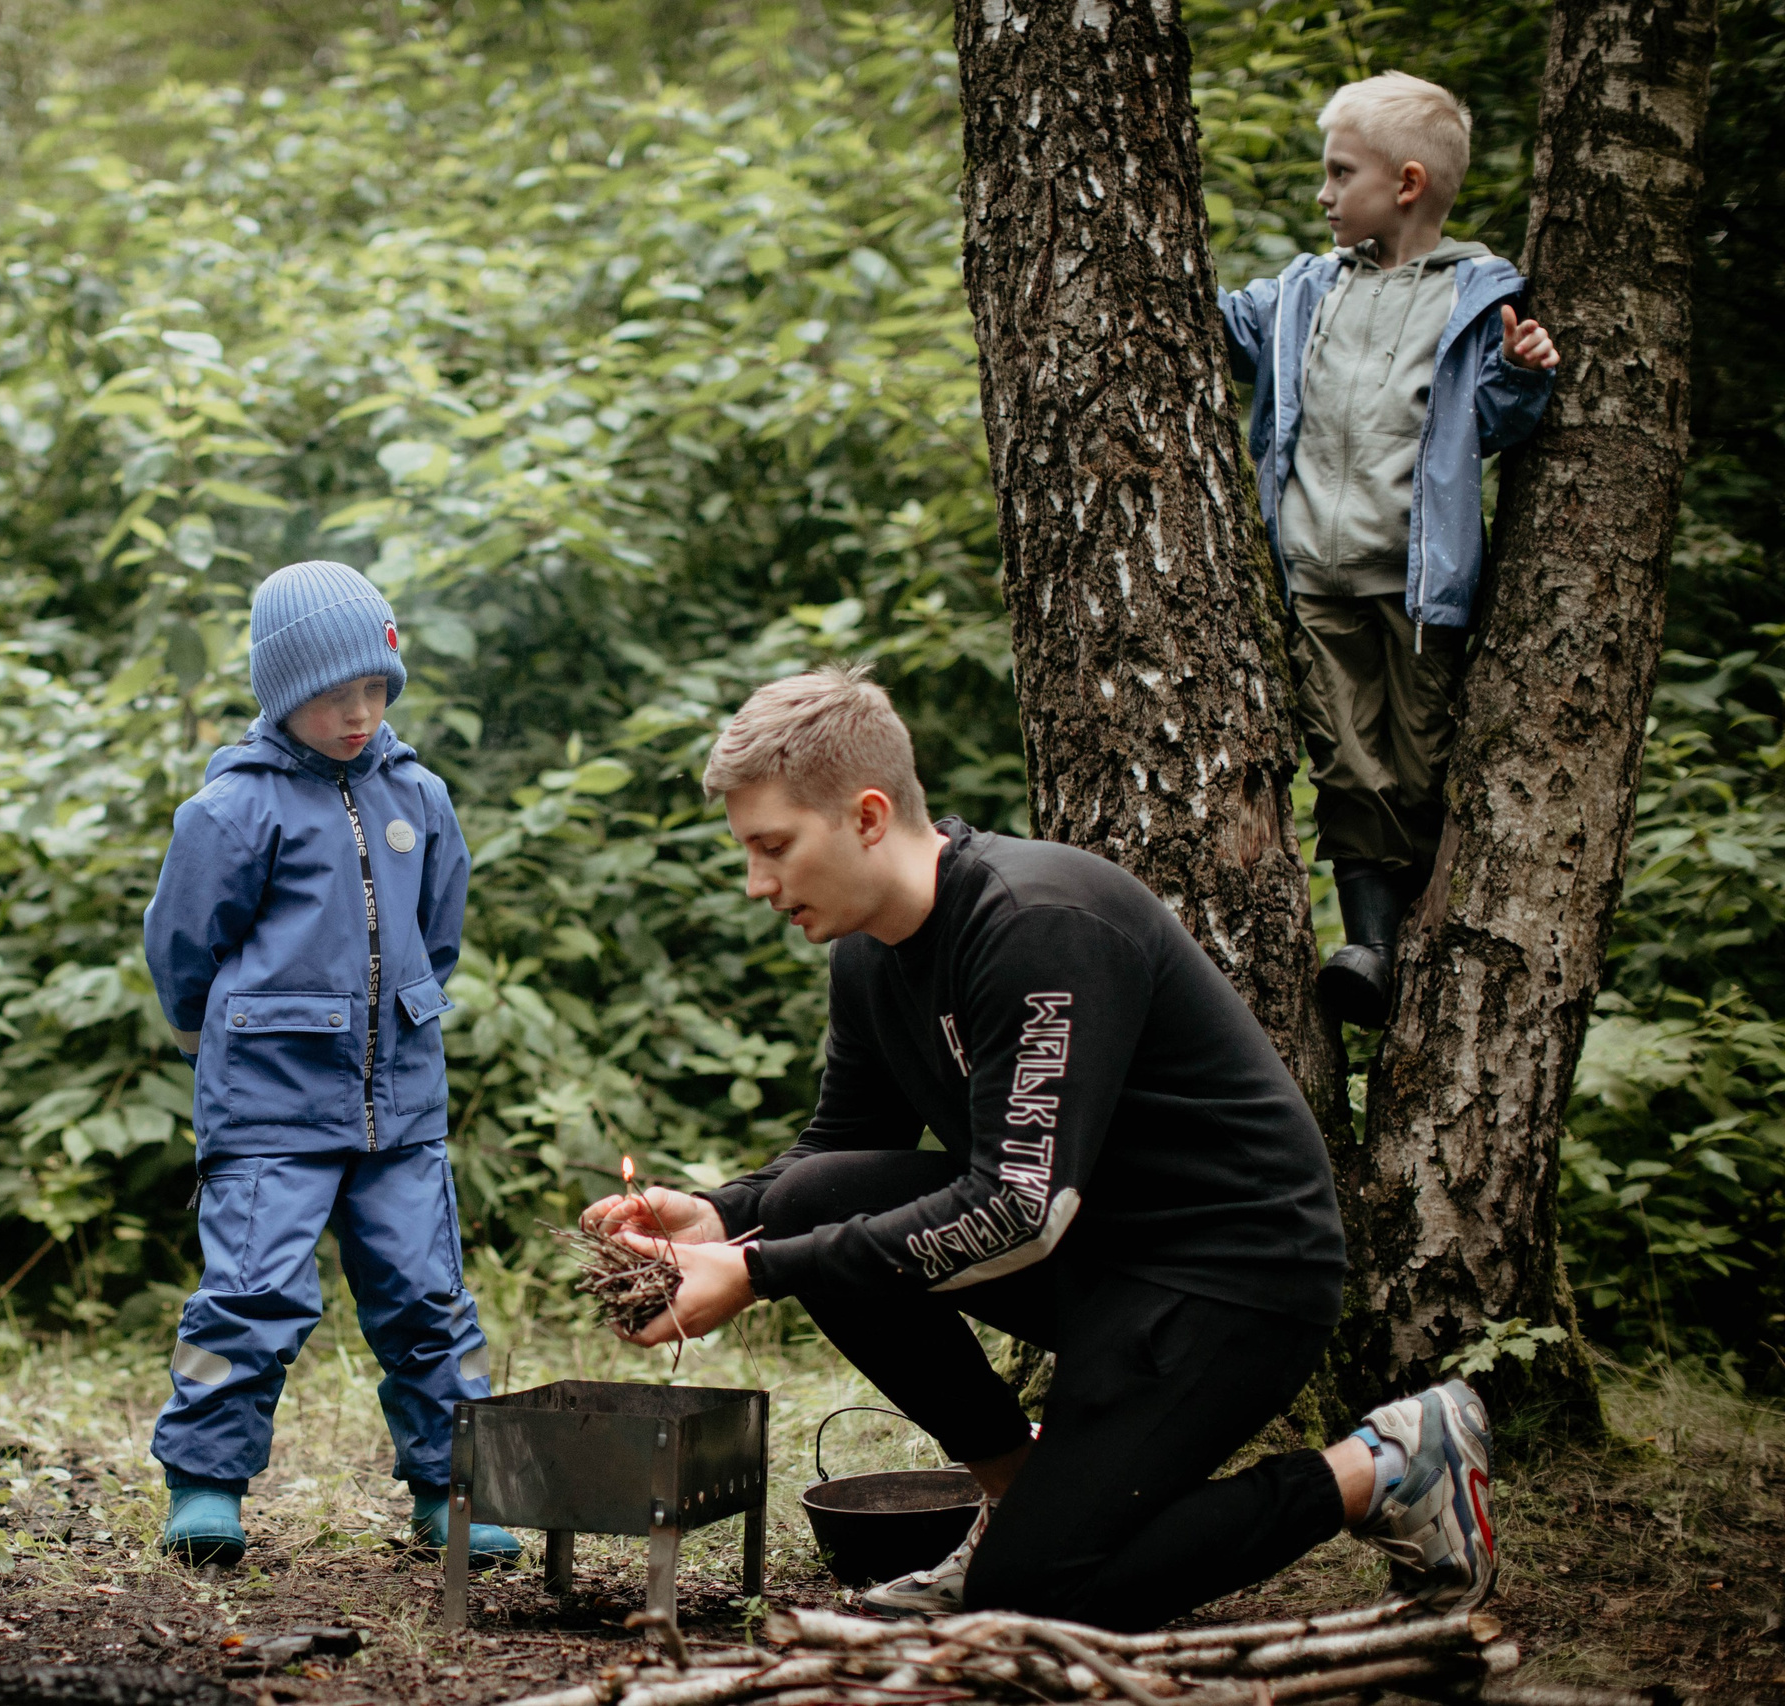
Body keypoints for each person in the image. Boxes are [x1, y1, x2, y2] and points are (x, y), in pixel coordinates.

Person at [580, 667, 1497, 1632]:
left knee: (1033, 1596)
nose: (758, 884)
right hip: (1101, 1259)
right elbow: (841, 1148)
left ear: (868, 816)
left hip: (1233, 1278)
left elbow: (1022, 1208)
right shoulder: (868, 953)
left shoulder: (1036, 925)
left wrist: (757, 1271)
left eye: (774, 847)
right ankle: (1015, 1499)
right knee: (807, 1199)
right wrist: (720, 1216)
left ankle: (1387, 1465)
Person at [141, 559, 517, 1571]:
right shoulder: (233, 808)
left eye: (373, 689)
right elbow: (183, 948)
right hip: (269, 1103)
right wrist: (217, 1046)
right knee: (251, 1291)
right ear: (281, 693)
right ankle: (205, 1482)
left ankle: (452, 1488)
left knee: (428, 1296)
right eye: (331, 695)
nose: (357, 714)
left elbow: (438, 932)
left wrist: (398, 1019)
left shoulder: (418, 796)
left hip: (401, 1103)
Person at [1217, 72, 1560, 1028]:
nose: (1323, 193)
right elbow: (1224, 326)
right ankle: (1367, 947)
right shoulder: (1306, 291)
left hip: (1417, 587)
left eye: (1340, 173)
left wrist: (1522, 374)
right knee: (1345, 759)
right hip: (1315, 580)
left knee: (1420, 759)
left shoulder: (1474, 296)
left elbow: (1490, 421)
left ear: (1406, 184)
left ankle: (1411, 937)